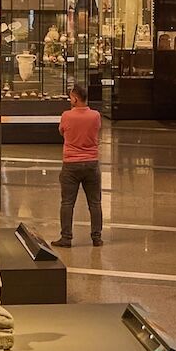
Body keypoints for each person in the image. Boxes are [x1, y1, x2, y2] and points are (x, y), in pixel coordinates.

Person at [56, 81, 103, 248]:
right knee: (95, 203)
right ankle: (96, 237)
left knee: (67, 203)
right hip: (91, 163)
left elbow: (62, 132)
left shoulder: (66, 116)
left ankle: (66, 238)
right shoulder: (95, 115)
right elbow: (96, 130)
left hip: (71, 163)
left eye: (71, 97)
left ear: (75, 98)